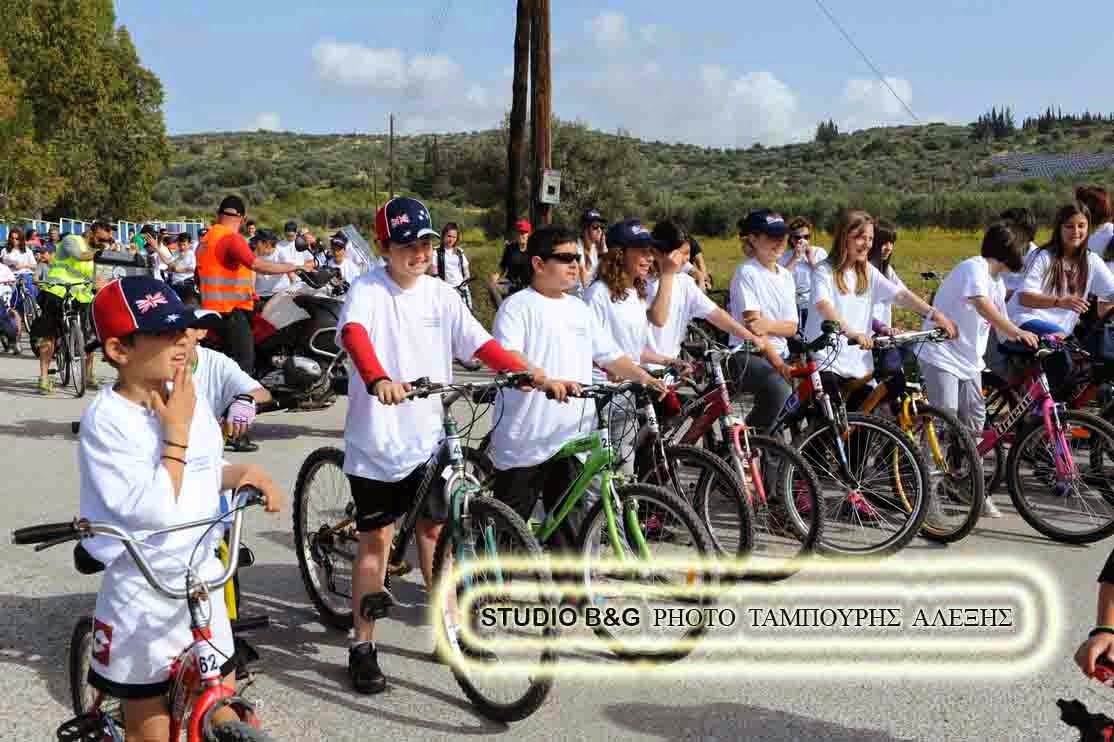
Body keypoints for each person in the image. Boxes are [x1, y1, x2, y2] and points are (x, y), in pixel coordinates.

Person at [336, 196, 543, 695]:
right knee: (377, 544)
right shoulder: (368, 289)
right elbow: (355, 333)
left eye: (425, 243)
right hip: (378, 441)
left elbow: (476, 342)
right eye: (408, 245)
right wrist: (378, 377)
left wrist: (520, 369)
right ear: (384, 247)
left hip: (428, 438)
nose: (419, 253)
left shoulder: (441, 294)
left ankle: (448, 627)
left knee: (436, 533)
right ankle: (361, 645)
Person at [79, 275, 283, 742]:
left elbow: (203, 471)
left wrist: (243, 474)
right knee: (149, 730)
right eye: (165, 332)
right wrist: (176, 431)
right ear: (119, 350)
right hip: (141, 593)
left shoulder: (185, 397)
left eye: (185, 330)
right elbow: (152, 508)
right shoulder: (109, 421)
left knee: (223, 706)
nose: (184, 340)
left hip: (202, 582)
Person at [489, 224, 666, 544]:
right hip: (526, 439)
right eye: (565, 258)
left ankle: (571, 594)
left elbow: (610, 355)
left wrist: (644, 377)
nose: (575, 265)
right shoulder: (516, 306)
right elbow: (508, 354)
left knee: (568, 530)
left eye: (577, 258)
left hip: (572, 437)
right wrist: (544, 380)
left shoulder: (578, 308)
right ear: (538, 264)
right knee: (507, 533)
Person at [917, 222, 1038, 519]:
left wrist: (1038, 338)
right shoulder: (974, 268)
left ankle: (966, 486)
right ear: (1010, 248)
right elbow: (982, 307)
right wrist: (1011, 329)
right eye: (1023, 247)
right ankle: (926, 495)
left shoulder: (996, 281)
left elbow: (1004, 327)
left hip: (969, 362)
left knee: (973, 423)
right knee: (944, 420)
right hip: (941, 355)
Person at [804, 208, 957, 407]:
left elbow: (900, 295)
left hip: (858, 365)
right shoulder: (824, 271)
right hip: (826, 361)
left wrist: (934, 315)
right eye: (860, 237)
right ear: (844, 237)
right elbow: (825, 307)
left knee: (864, 433)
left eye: (870, 238)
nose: (866, 244)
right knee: (830, 433)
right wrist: (853, 333)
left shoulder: (868, 272)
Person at [646, 220, 775, 374]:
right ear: (660, 253)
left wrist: (749, 337)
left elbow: (716, 314)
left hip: (672, 367)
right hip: (642, 370)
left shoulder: (684, 282)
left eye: (689, 253)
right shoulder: (643, 283)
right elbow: (659, 319)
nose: (687, 259)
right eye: (682, 254)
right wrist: (667, 273)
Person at [195, 196, 300, 375]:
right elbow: (258, 265)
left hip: (211, 310)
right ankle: (247, 399)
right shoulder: (230, 239)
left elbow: (198, 277)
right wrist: (295, 266)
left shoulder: (205, 241)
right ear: (242, 218)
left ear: (218, 214)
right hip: (232, 311)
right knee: (245, 365)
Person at [729, 210, 805, 432]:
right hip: (747, 354)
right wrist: (779, 365)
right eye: (771, 236)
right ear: (753, 239)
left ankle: (770, 456)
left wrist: (768, 325)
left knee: (785, 419)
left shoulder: (785, 276)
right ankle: (752, 441)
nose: (779, 242)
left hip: (778, 354)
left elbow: (792, 327)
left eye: (782, 236)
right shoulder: (747, 272)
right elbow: (754, 328)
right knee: (778, 389)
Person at [1008, 202, 1114, 339]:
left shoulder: (1091, 260)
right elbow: (1024, 298)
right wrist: (1060, 301)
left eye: (1081, 226)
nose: (1076, 232)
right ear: (1059, 228)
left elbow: (1111, 292)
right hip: (1024, 320)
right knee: (1068, 347)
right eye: (1069, 226)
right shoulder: (1043, 256)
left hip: (1062, 332)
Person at [31, 233, 100, 393]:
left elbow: (97, 275)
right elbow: (80, 256)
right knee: (49, 334)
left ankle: (88, 374)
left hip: (81, 296)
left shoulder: (95, 252)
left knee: (88, 335)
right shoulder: (71, 242)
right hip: (57, 292)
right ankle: (43, 377)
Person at [778, 217, 828, 332]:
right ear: (791, 239)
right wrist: (795, 257)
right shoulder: (784, 256)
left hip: (815, 302)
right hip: (794, 303)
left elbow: (824, 276)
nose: (802, 240)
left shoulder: (819, 252)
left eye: (806, 237)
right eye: (798, 237)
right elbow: (781, 279)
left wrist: (811, 258)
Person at [4, 228, 37, 352]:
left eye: (17, 238)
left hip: (26, 276)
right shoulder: (5, 251)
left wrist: (23, 265)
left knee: (30, 305)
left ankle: (31, 311)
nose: (14, 241)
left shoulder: (27, 251)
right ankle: (16, 340)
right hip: (12, 279)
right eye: (12, 238)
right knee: (14, 310)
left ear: (21, 239)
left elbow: (34, 265)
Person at [487, 219, 532, 307]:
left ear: (529, 234)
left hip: (527, 285)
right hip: (510, 282)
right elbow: (503, 266)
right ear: (515, 234)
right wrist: (497, 275)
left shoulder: (533, 250)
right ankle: (501, 309)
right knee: (492, 285)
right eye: (519, 232)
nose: (521, 235)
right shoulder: (510, 248)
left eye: (524, 233)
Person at [429, 222, 470, 306]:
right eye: (449, 236)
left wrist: (463, 284)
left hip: (462, 290)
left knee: (467, 315)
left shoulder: (459, 252)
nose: (451, 239)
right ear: (443, 236)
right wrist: (448, 288)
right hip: (445, 292)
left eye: (454, 237)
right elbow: (434, 274)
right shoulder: (436, 252)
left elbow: (466, 272)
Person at [573, 208, 607, 297]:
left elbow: (606, 274)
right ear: (585, 229)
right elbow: (582, 273)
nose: (600, 230)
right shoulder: (576, 247)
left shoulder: (596, 248)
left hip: (589, 294)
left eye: (601, 227)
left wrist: (602, 252)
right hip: (578, 297)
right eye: (595, 227)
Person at [166, 232, 198, 305]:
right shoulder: (176, 253)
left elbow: (192, 268)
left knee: (187, 305)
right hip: (175, 283)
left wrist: (179, 270)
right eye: (180, 245)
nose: (182, 247)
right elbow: (170, 266)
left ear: (189, 244)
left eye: (184, 245)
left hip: (187, 284)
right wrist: (179, 258)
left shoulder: (192, 254)